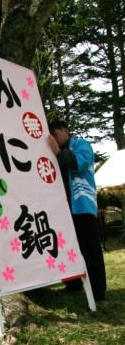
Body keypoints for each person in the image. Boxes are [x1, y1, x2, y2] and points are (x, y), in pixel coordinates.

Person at [48, 119, 106, 301]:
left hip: (83, 205)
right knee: (68, 247)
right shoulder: (53, 151)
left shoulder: (82, 145)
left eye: (56, 135)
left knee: (91, 249)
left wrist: (58, 151)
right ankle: (73, 284)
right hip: (64, 208)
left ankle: (98, 291)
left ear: (65, 130)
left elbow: (79, 163)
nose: (56, 140)